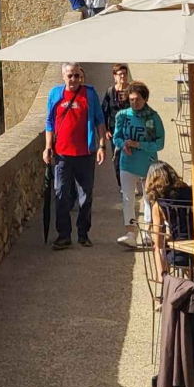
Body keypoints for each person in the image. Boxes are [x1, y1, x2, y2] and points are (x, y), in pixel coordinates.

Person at [42, 62, 106, 250]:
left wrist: (102, 146)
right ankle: (63, 236)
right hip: (62, 155)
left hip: (85, 154)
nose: (74, 79)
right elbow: (49, 123)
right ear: (63, 76)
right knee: (61, 195)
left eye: (77, 76)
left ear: (81, 76)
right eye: (70, 76)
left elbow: (99, 120)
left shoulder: (90, 94)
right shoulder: (55, 94)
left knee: (85, 196)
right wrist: (47, 147)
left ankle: (83, 234)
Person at [112, 79, 164, 249]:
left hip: (148, 163)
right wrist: (123, 145)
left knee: (149, 198)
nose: (135, 103)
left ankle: (148, 232)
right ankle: (131, 232)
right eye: (132, 99)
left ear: (145, 99)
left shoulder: (153, 117)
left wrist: (140, 145)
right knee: (127, 198)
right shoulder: (123, 115)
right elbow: (116, 137)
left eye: (138, 99)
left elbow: (160, 143)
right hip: (127, 163)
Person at [146, 160, 194, 276]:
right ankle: (192, 278)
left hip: (179, 252)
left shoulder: (159, 204)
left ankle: (164, 282)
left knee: (158, 247)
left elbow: (158, 242)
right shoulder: (191, 192)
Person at [102, 63, 132, 196]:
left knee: (132, 157)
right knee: (117, 158)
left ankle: (132, 182)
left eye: (125, 74)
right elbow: (104, 112)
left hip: (131, 130)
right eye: (120, 75)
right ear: (115, 77)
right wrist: (106, 130)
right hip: (115, 132)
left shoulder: (132, 91)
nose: (123, 77)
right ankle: (122, 185)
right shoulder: (110, 92)